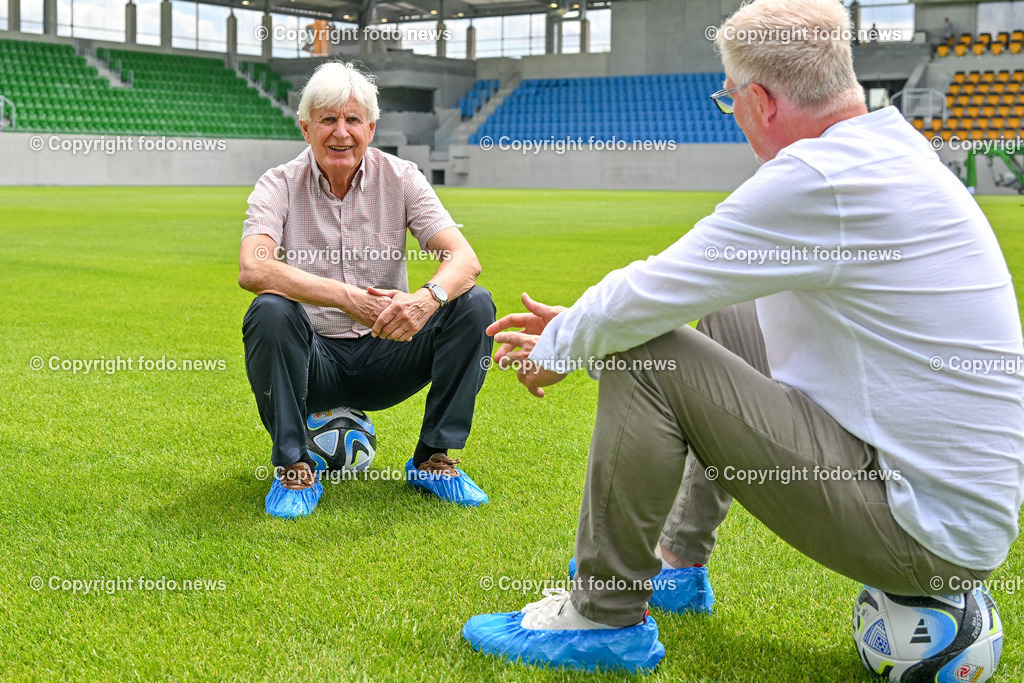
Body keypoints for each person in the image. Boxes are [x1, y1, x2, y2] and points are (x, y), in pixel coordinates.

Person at [463, 0, 1024, 673]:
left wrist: (562, 348)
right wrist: (583, 326)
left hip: (925, 537)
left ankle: (602, 618)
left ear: (759, 99)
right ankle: (678, 564)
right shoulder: (889, 149)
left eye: (729, 102)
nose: (733, 117)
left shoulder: (818, 178)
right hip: (947, 506)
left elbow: (648, 291)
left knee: (644, 350)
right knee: (729, 320)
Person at [239, 61, 495, 519]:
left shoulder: (401, 177)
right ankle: (295, 467)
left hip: (388, 349)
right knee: (270, 310)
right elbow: (253, 266)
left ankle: (434, 460)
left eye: (353, 119)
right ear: (306, 128)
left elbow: (465, 260)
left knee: (473, 303)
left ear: (371, 128)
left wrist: (425, 299)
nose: (341, 132)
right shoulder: (277, 183)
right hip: (313, 362)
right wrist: (345, 297)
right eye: (328, 119)